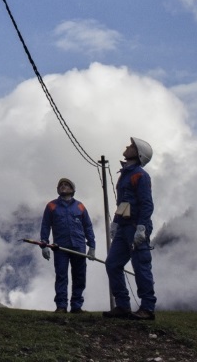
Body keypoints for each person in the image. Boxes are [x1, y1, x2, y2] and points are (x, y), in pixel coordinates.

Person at [104, 137, 156, 320]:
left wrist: (141, 227)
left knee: (141, 266)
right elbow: (123, 203)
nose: (127, 146)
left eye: (132, 146)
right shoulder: (125, 174)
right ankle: (123, 306)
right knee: (112, 264)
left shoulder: (140, 175)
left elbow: (146, 204)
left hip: (135, 226)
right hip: (124, 226)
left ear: (139, 153)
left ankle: (147, 308)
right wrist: (116, 222)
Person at [39, 176, 96, 312]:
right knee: (61, 276)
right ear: (58, 189)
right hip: (60, 247)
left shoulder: (80, 206)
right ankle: (61, 306)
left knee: (79, 277)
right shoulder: (51, 206)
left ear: (72, 189)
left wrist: (92, 246)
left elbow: (88, 226)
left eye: (66, 184)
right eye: (61, 185)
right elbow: (46, 226)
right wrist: (44, 245)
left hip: (79, 246)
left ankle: (76, 306)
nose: (63, 186)